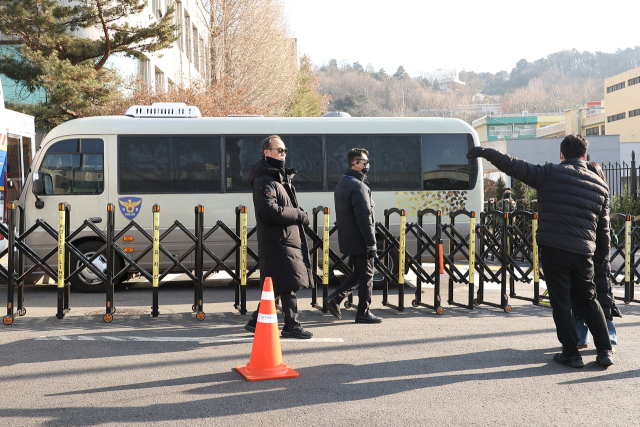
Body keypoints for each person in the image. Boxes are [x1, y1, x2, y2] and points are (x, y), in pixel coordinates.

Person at [467, 134, 614, 368]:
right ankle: (605, 351)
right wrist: (600, 260)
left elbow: (514, 165)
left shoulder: (549, 173)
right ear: (585, 156)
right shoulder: (600, 185)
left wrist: (486, 152)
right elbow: (603, 231)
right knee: (589, 299)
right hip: (584, 252)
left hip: (555, 249)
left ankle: (571, 353)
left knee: (561, 302)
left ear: (561, 154)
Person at [244, 135, 314, 339]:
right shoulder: (264, 179)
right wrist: (299, 215)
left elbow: (286, 205)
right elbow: (269, 210)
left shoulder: (279, 177)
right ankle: (291, 325)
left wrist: (299, 212)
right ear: (267, 152)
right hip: (278, 241)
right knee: (288, 283)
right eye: (279, 150)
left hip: (286, 239)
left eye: (285, 150)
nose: (283, 154)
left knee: (278, 284)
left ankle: (257, 320)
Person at [324, 148, 383, 324]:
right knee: (367, 276)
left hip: (349, 238)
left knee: (359, 273)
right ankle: (363, 312)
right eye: (365, 162)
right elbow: (364, 219)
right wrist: (372, 244)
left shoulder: (343, 183)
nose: (367, 166)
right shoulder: (358, 186)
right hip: (360, 239)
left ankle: (335, 298)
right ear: (355, 163)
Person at [574, 162, 621, 351]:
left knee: (581, 296)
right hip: (601, 256)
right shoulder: (603, 193)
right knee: (603, 297)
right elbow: (606, 227)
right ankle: (610, 339)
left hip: (583, 252)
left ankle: (581, 337)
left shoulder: (582, 194)